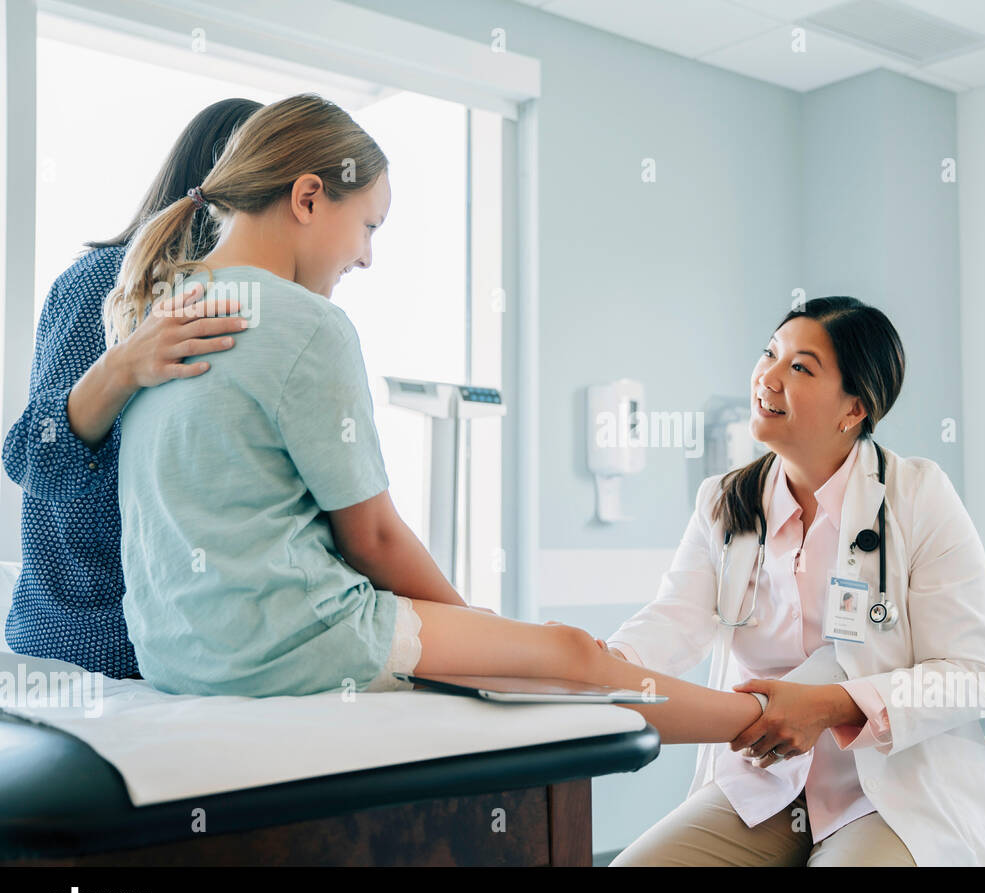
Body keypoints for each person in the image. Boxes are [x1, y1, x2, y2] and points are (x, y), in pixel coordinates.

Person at [108, 93, 792, 751]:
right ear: (309, 197)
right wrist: (471, 622)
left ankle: (752, 715)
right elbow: (372, 538)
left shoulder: (156, 316)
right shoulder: (310, 326)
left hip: (175, 649)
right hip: (289, 639)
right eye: (370, 226)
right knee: (568, 653)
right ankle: (764, 717)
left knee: (530, 653)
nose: (367, 256)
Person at [605, 297, 985, 866]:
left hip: (890, 788)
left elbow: (972, 677)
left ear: (853, 408)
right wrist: (597, 665)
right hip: (767, 784)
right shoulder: (726, 502)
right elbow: (673, 620)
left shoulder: (917, 498)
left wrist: (831, 705)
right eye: (770, 353)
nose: (768, 377)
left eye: (801, 367)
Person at [2, 98, 262, 677]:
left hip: (194, 633)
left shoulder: (245, 306)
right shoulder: (101, 281)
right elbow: (34, 457)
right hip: (84, 637)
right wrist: (122, 367)